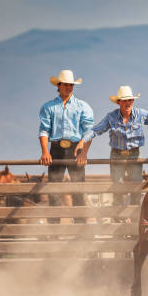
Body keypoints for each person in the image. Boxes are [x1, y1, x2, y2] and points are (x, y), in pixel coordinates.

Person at [76, 85, 148, 206]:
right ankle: (117, 216)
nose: (127, 103)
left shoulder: (140, 114)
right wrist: (83, 140)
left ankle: (134, 214)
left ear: (133, 101)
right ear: (119, 102)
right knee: (117, 187)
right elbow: (95, 130)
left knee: (136, 186)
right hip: (117, 154)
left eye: (130, 100)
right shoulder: (111, 117)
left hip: (134, 154)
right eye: (124, 100)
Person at [38, 69, 93, 223]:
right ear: (59, 85)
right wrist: (44, 152)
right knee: (54, 190)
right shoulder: (49, 107)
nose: (69, 87)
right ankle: (55, 228)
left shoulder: (82, 106)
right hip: (56, 149)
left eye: (71, 85)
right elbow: (44, 131)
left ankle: (80, 229)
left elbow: (89, 132)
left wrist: (84, 153)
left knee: (78, 189)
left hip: (76, 149)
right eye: (66, 84)